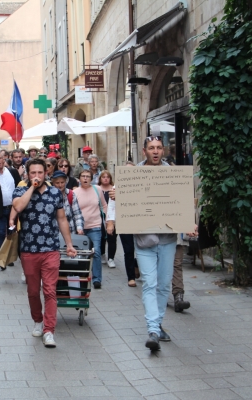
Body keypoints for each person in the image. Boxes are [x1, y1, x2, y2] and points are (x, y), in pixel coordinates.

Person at [107, 136, 197, 351]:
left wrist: (189, 223)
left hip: (167, 239)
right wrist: (117, 196)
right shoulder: (132, 176)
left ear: (163, 150)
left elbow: (183, 202)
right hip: (144, 239)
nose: (155, 152)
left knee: (164, 285)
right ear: (144, 151)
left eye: (158, 148)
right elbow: (116, 199)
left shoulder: (172, 174)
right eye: (151, 148)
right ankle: (153, 330)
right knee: (149, 283)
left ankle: (157, 325)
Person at [12, 158, 77, 348]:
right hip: (29, 249)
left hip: (50, 248)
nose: (37, 176)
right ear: (27, 174)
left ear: (46, 173)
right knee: (33, 291)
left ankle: (49, 330)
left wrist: (69, 244)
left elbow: (62, 219)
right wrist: (32, 188)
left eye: (40, 173)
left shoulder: (56, 193)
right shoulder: (21, 190)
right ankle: (37, 321)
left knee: (50, 291)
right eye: (33, 173)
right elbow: (17, 207)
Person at [0, 150, 21, 269]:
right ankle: (2, 260)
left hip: (13, 209)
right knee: (0, 234)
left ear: (4, 159)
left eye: (0, 158)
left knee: (11, 234)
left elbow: (19, 187)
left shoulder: (12, 172)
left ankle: (10, 257)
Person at [74, 169, 107, 288]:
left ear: (92, 178)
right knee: (81, 253)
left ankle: (97, 279)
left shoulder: (97, 189)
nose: (85, 178)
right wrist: (77, 226)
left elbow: (104, 205)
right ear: (79, 178)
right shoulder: (75, 192)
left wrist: (108, 221)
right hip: (80, 228)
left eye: (88, 176)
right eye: (83, 176)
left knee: (96, 252)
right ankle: (81, 277)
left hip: (95, 226)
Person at [51, 171, 84, 235]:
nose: (60, 185)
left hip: (70, 233)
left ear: (65, 182)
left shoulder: (71, 194)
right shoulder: (49, 195)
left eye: (62, 182)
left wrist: (79, 228)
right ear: (53, 183)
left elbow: (77, 214)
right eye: (57, 183)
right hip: (55, 234)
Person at [98, 171, 117, 269]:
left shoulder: (114, 189)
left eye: (107, 177)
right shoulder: (97, 189)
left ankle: (111, 258)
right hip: (99, 217)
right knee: (101, 237)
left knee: (112, 238)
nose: (105, 179)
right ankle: (102, 254)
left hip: (112, 217)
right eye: (103, 177)